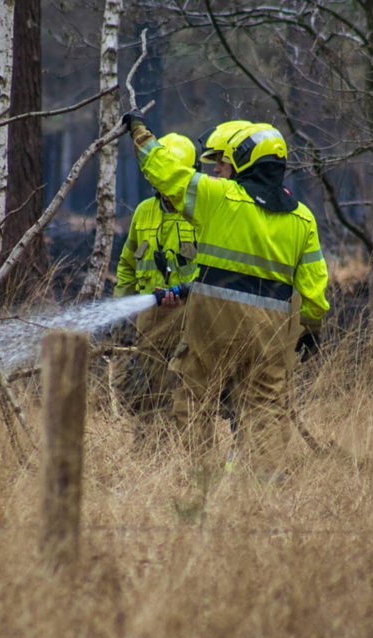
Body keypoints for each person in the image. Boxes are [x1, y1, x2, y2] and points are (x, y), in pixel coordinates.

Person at [121, 113, 330, 480]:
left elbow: (168, 175)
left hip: (215, 317)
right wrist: (310, 327)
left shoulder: (218, 196)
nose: (218, 168)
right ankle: (263, 487)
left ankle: (204, 481)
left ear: (245, 162)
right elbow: (314, 285)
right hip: (273, 326)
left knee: (193, 399)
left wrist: (141, 136)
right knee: (264, 406)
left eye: (224, 162)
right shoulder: (303, 218)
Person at [112, 133, 200, 421]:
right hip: (149, 319)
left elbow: (217, 268)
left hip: (191, 321)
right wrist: (122, 311)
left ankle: (187, 459)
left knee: (186, 397)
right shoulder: (144, 212)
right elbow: (127, 263)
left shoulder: (202, 213)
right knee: (144, 397)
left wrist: (186, 291)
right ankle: (149, 458)